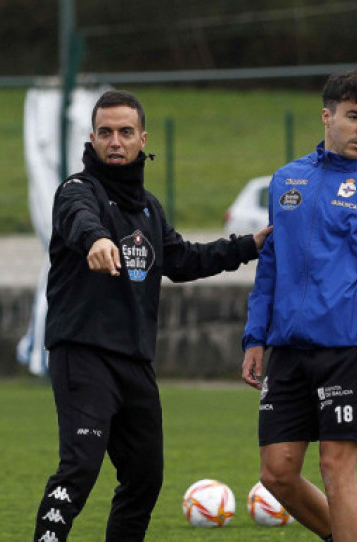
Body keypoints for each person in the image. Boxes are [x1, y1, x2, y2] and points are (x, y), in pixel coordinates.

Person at [33, 89, 271, 542]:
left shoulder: (148, 209)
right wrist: (97, 241)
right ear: (92, 138)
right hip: (82, 354)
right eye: (106, 133)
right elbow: (81, 220)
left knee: (145, 476)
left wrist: (250, 246)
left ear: (143, 139)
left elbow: (183, 260)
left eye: (125, 132)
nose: (115, 141)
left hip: (135, 362)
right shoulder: (75, 191)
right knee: (81, 464)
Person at [241, 69, 357, 542]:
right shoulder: (288, 180)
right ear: (327, 116)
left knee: (335, 467)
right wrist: (255, 336)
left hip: (350, 349)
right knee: (276, 473)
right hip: (288, 349)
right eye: (353, 116)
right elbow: (271, 267)